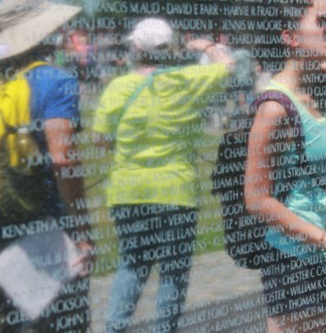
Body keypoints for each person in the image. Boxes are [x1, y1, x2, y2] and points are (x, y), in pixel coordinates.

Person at [0, 0, 92, 332]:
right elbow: (63, 158)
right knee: (61, 320)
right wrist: (81, 229)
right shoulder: (55, 81)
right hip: (46, 221)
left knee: (6, 320)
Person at [92, 17, 233, 333]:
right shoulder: (187, 80)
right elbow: (227, 65)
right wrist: (205, 45)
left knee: (132, 264)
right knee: (173, 272)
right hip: (175, 190)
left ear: (136, 48)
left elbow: (100, 139)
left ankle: (115, 328)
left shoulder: (118, 86)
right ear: (168, 49)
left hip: (129, 190)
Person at [244, 0, 326, 332]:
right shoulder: (274, 108)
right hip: (299, 257)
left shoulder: (316, 81)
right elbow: (256, 199)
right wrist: (325, 239)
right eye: (319, 22)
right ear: (290, 38)